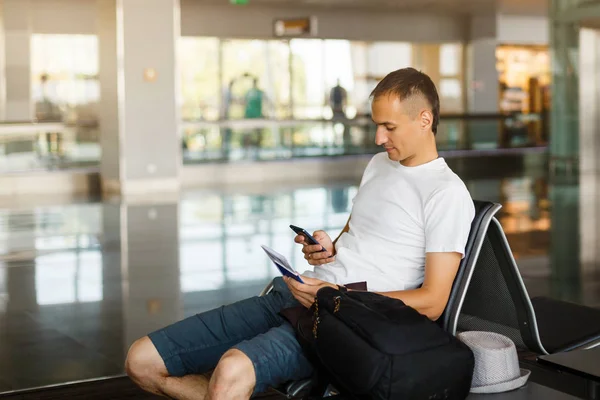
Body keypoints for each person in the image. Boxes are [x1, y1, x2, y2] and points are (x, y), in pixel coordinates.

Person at [124, 67, 475, 400]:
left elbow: (432, 302)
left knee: (231, 372)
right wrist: (326, 248)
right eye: (376, 125)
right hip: (297, 293)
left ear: (424, 120)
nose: (378, 137)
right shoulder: (380, 165)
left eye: (389, 127)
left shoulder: (445, 193)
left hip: (344, 323)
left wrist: (336, 295)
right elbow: (353, 237)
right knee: (141, 361)